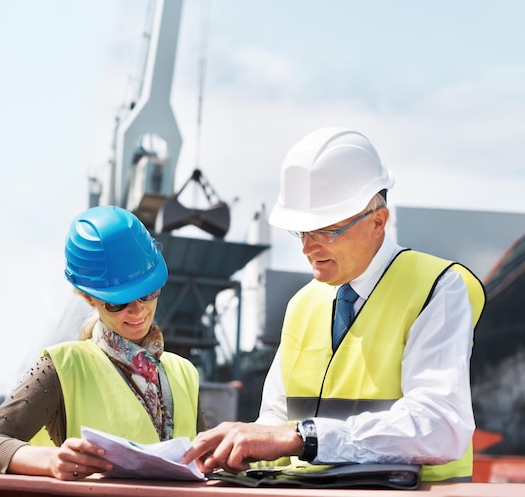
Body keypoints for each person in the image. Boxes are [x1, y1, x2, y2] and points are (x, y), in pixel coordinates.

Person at [182, 127, 485, 483]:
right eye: (301, 232)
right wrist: (239, 445)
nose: (308, 248)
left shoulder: (438, 287)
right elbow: (277, 420)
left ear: (378, 222)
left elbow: (441, 425)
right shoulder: (303, 303)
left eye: (326, 231)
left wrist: (304, 438)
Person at [0, 205, 205, 480]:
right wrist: (51, 461)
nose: (138, 311)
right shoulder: (60, 368)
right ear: (88, 297)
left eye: (148, 293)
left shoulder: (186, 374)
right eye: (118, 302)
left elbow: (204, 463)